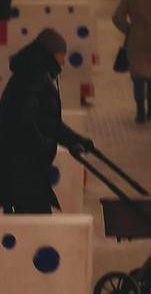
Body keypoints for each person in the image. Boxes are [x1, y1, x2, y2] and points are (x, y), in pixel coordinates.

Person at [0, 30, 96, 213]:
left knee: (30, 220)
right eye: (61, 55)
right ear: (51, 54)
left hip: (23, 167)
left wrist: (76, 140)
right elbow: (26, 122)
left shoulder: (31, 74)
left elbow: (48, 123)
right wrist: (44, 146)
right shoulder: (35, 78)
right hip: (23, 169)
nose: (64, 61)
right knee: (34, 222)